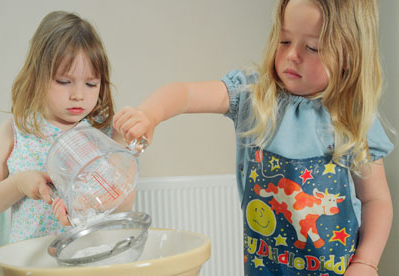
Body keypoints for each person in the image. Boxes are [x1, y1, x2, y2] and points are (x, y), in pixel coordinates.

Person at [113, 0, 394, 275]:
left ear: (349, 56)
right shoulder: (254, 97)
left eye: (312, 47)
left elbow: (376, 201)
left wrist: (366, 263)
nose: (292, 55)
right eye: (284, 41)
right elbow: (185, 94)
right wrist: (150, 113)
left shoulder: (352, 119)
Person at [0, 11, 134, 242]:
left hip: (93, 259)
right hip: (32, 263)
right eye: (64, 81)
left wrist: (85, 204)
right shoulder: (15, 131)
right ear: (37, 75)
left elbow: (126, 199)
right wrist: (19, 184)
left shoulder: (107, 132)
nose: (78, 95)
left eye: (91, 84)